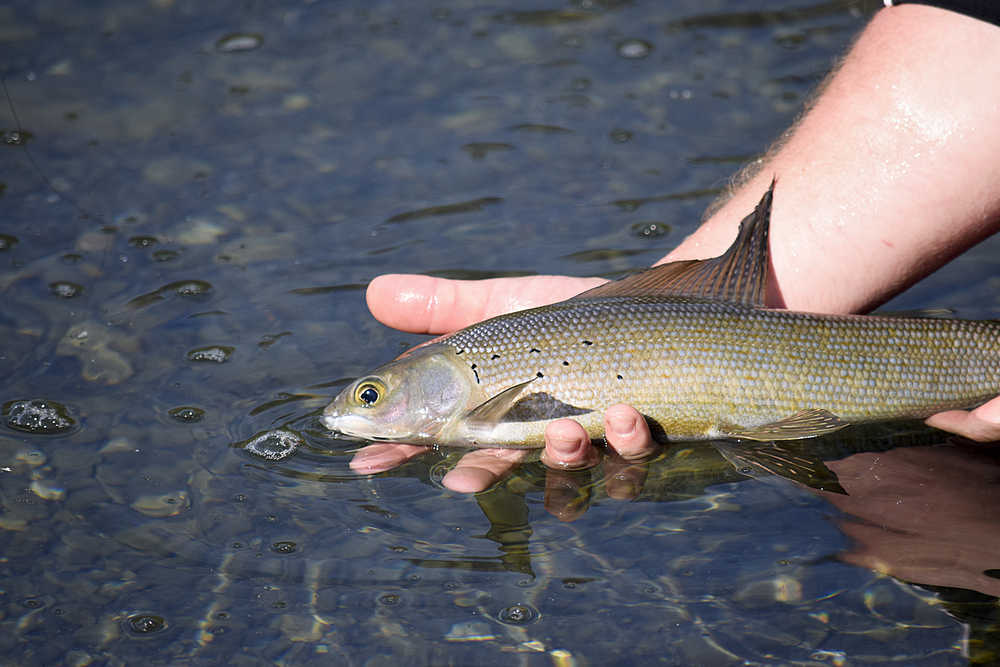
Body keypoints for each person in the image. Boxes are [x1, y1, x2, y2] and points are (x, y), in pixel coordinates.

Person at [352, 3, 1000, 496]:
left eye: (372, 395)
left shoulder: (477, 374)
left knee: (912, 529)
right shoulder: (475, 371)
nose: (358, 408)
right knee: (899, 524)